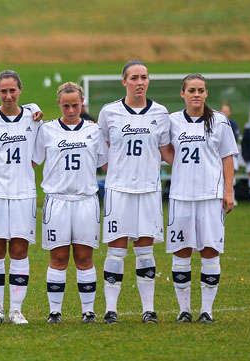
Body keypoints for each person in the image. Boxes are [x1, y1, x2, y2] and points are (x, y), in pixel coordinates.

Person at [97, 60, 171, 324]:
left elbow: (166, 152)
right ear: (124, 82)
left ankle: (148, 309)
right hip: (119, 190)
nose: (140, 82)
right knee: (116, 250)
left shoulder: (161, 113)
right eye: (134, 77)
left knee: (145, 250)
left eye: (144, 77)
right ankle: (110, 310)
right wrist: (117, 171)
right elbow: (102, 149)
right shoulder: (109, 112)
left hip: (149, 190)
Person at [161, 74, 237, 323]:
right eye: (191, 90)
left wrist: (228, 191)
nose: (196, 94)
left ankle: (207, 310)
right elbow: (166, 150)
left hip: (210, 196)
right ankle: (184, 310)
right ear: (182, 93)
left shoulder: (220, 121)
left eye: (201, 90)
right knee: (181, 252)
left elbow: (227, 157)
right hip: (181, 197)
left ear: (206, 94)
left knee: (210, 250)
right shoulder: (172, 121)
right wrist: (181, 166)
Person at [33, 82, 107, 323]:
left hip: (86, 201)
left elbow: (106, 164)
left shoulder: (94, 131)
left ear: (82, 103)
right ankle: (55, 311)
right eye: (66, 106)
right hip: (57, 201)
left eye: (75, 105)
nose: (72, 110)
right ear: (59, 104)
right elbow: (31, 161)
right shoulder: (46, 130)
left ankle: (88, 311)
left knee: (85, 258)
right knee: (59, 258)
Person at [0, 70, 42, 325]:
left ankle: (16, 310)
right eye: (4, 91)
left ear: (20, 90)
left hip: (23, 194)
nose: (9, 95)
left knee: (19, 251)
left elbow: (36, 157)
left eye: (13, 90)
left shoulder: (33, 119)